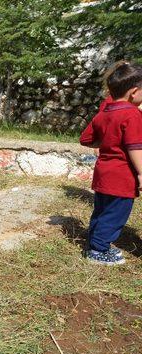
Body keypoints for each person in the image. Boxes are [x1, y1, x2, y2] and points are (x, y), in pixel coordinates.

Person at [80, 61, 142, 265]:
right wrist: (141, 173)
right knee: (115, 216)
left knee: (101, 211)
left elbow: (86, 139)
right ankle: (98, 250)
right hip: (121, 176)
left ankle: (93, 243)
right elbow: (135, 147)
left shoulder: (104, 112)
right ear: (134, 92)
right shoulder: (132, 114)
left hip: (103, 173)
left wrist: (108, 139)